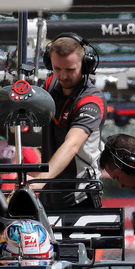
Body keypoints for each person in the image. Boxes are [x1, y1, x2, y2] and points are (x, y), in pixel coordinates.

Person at [30, 33, 105, 208]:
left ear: (86, 65)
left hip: (80, 196)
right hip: (49, 193)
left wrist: (41, 179)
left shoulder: (91, 100)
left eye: (70, 70)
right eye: (57, 69)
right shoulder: (49, 85)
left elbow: (72, 144)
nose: (62, 76)